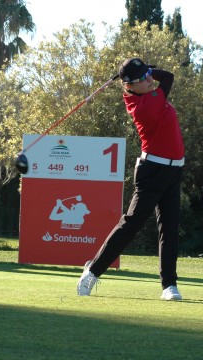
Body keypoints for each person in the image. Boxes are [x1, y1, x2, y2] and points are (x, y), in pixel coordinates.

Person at [77, 57, 185, 301]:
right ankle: (92, 271)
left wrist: (141, 70)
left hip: (173, 171)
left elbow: (161, 77)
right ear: (129, 86)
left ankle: (169, 285)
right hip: (153, 171)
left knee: (169, 229)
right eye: (143, 78)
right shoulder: (145, 105)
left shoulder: (146, 92)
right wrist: (145, 72)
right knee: (130, 224)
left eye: (149, 75)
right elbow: (168, 76)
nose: (150, 79)